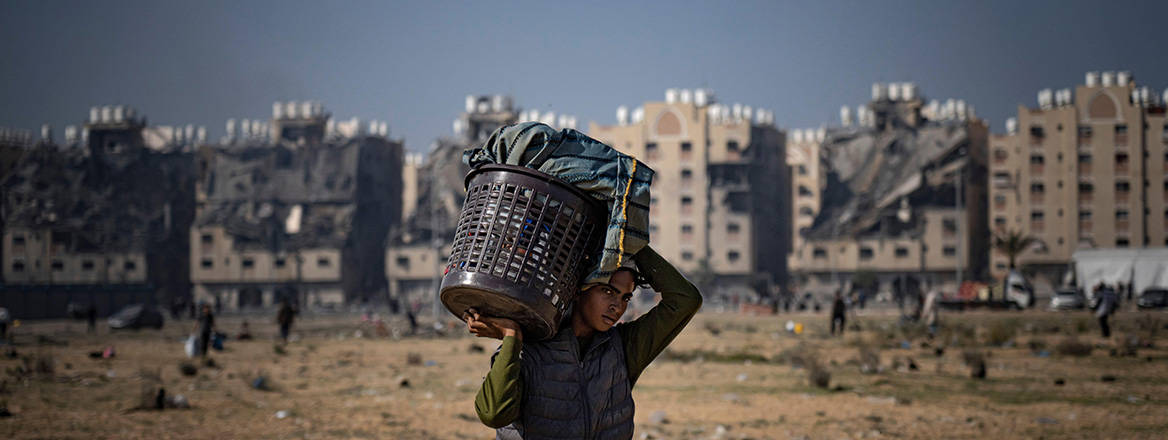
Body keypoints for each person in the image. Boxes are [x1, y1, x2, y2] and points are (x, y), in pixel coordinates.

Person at [467, 246, 701, 439]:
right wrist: (512, 337)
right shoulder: (529, 350)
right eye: (607, 291)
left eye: (625, 297)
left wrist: (629, 241)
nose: (617, 306)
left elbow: (685, 300)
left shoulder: (623, 347)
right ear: (578, 290)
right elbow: (493, 414)